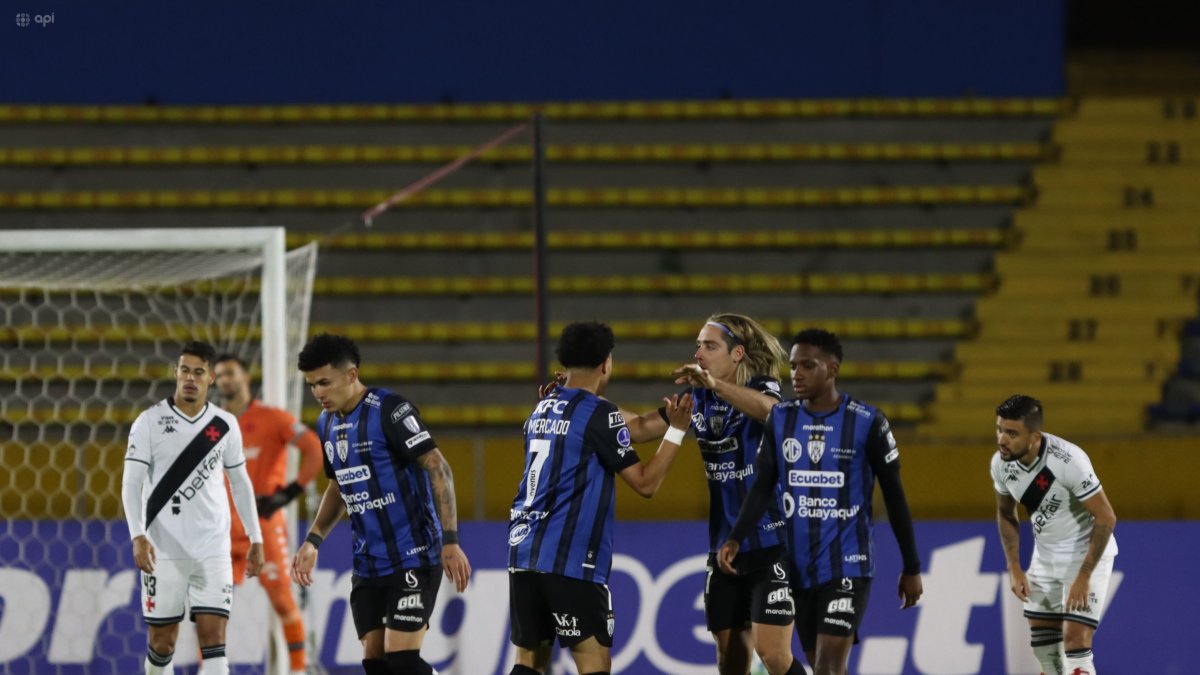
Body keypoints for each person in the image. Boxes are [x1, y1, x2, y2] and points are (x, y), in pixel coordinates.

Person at [718, 328, 923, 675]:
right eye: (794, 366)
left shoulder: (867, 422)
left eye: (807, 366)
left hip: (847, 564)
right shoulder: (781, 419)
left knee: (827, 668)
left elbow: (895, 495)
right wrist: (737, 536)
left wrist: (912, 565)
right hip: (797, 567)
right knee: (822, 667)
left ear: (832, 369)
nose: (796, 374)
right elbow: (763, 485)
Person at [617, 313, 805, 675]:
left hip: (771, 543)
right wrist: (584, 398)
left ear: (737, 355)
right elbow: (640, 428)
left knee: (774, 655)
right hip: (723, 547)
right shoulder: (697, 398)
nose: (699, 353)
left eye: (710, 345)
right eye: (698, 345)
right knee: (730, 660)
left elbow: (772, 413)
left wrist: (715, 386)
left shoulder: (762, 389)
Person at [507, 320, 694, 675]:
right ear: (607, 363)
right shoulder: (599, 414)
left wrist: (678, 411)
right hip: (570, 560)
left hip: (525, 554)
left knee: (530, 662)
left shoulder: (544, 405)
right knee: (594, 664)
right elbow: (646, 483)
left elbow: (635, 427)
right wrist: (677, 432)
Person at [290, 333, 471, 675]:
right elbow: (338, 486)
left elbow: (438, 466)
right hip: (368, 563)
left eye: (325, 382)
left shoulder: (390, 410)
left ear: (352, 375)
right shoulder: (326, 423)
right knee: (376, 663)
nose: (318, 393)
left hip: (414, 555)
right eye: (312, 385)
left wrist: (450, 541)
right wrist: (313, 540)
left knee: (402, 661)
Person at [122, 340, 264, 675]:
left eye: (198, 372)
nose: (190, 377)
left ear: (210, 378)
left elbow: (241, 484)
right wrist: (137, 535)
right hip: (162, 550)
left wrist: (255, 536)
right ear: (175, 372)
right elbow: (131, 483)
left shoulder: (224, 424)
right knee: (162, 643)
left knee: (214, 641)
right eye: (185, 370)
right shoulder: (149, 422)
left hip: (213, 548)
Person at [992, 395, 1118, 675]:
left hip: (1085, 555)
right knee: (1044, 649)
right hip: (1045, 557)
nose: (1002, 439)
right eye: (1000, 429)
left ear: (1035, 436)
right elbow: (1006, 513)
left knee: (1075, 641)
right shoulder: (1001, 464)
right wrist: (1013, 566)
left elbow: (1106, 516)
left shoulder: (1069, 460)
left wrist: (1083, 576)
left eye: (1012, 433)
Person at [213, 354, 323, 675]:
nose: (224, 380)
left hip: (262, 523)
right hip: (221, 525)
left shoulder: (273, 418)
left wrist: (290, 491)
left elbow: (314, 449)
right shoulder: (213, 423)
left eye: (230, 373)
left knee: (282, 599)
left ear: (246, 377)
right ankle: (212, 669)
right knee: (211, 606)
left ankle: (298, 669)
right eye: (218, 375)